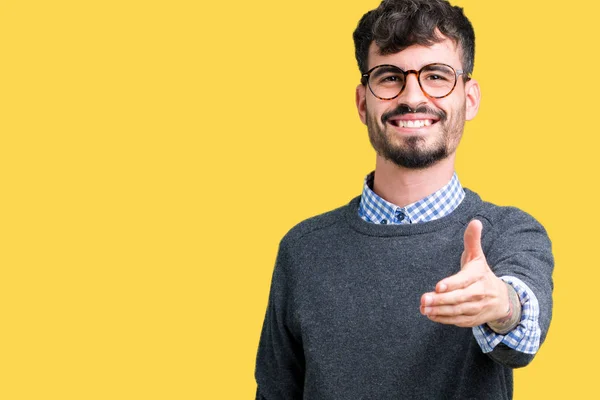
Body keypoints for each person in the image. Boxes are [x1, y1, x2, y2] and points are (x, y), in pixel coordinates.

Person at [255, 0, 554, 398]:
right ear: (364, 102)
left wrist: (500, 305)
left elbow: (523, 328)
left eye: (436, 75)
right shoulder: (302, 248)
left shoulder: (507, 234)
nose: (412, 96)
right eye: (390, 77)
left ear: (470, 98)